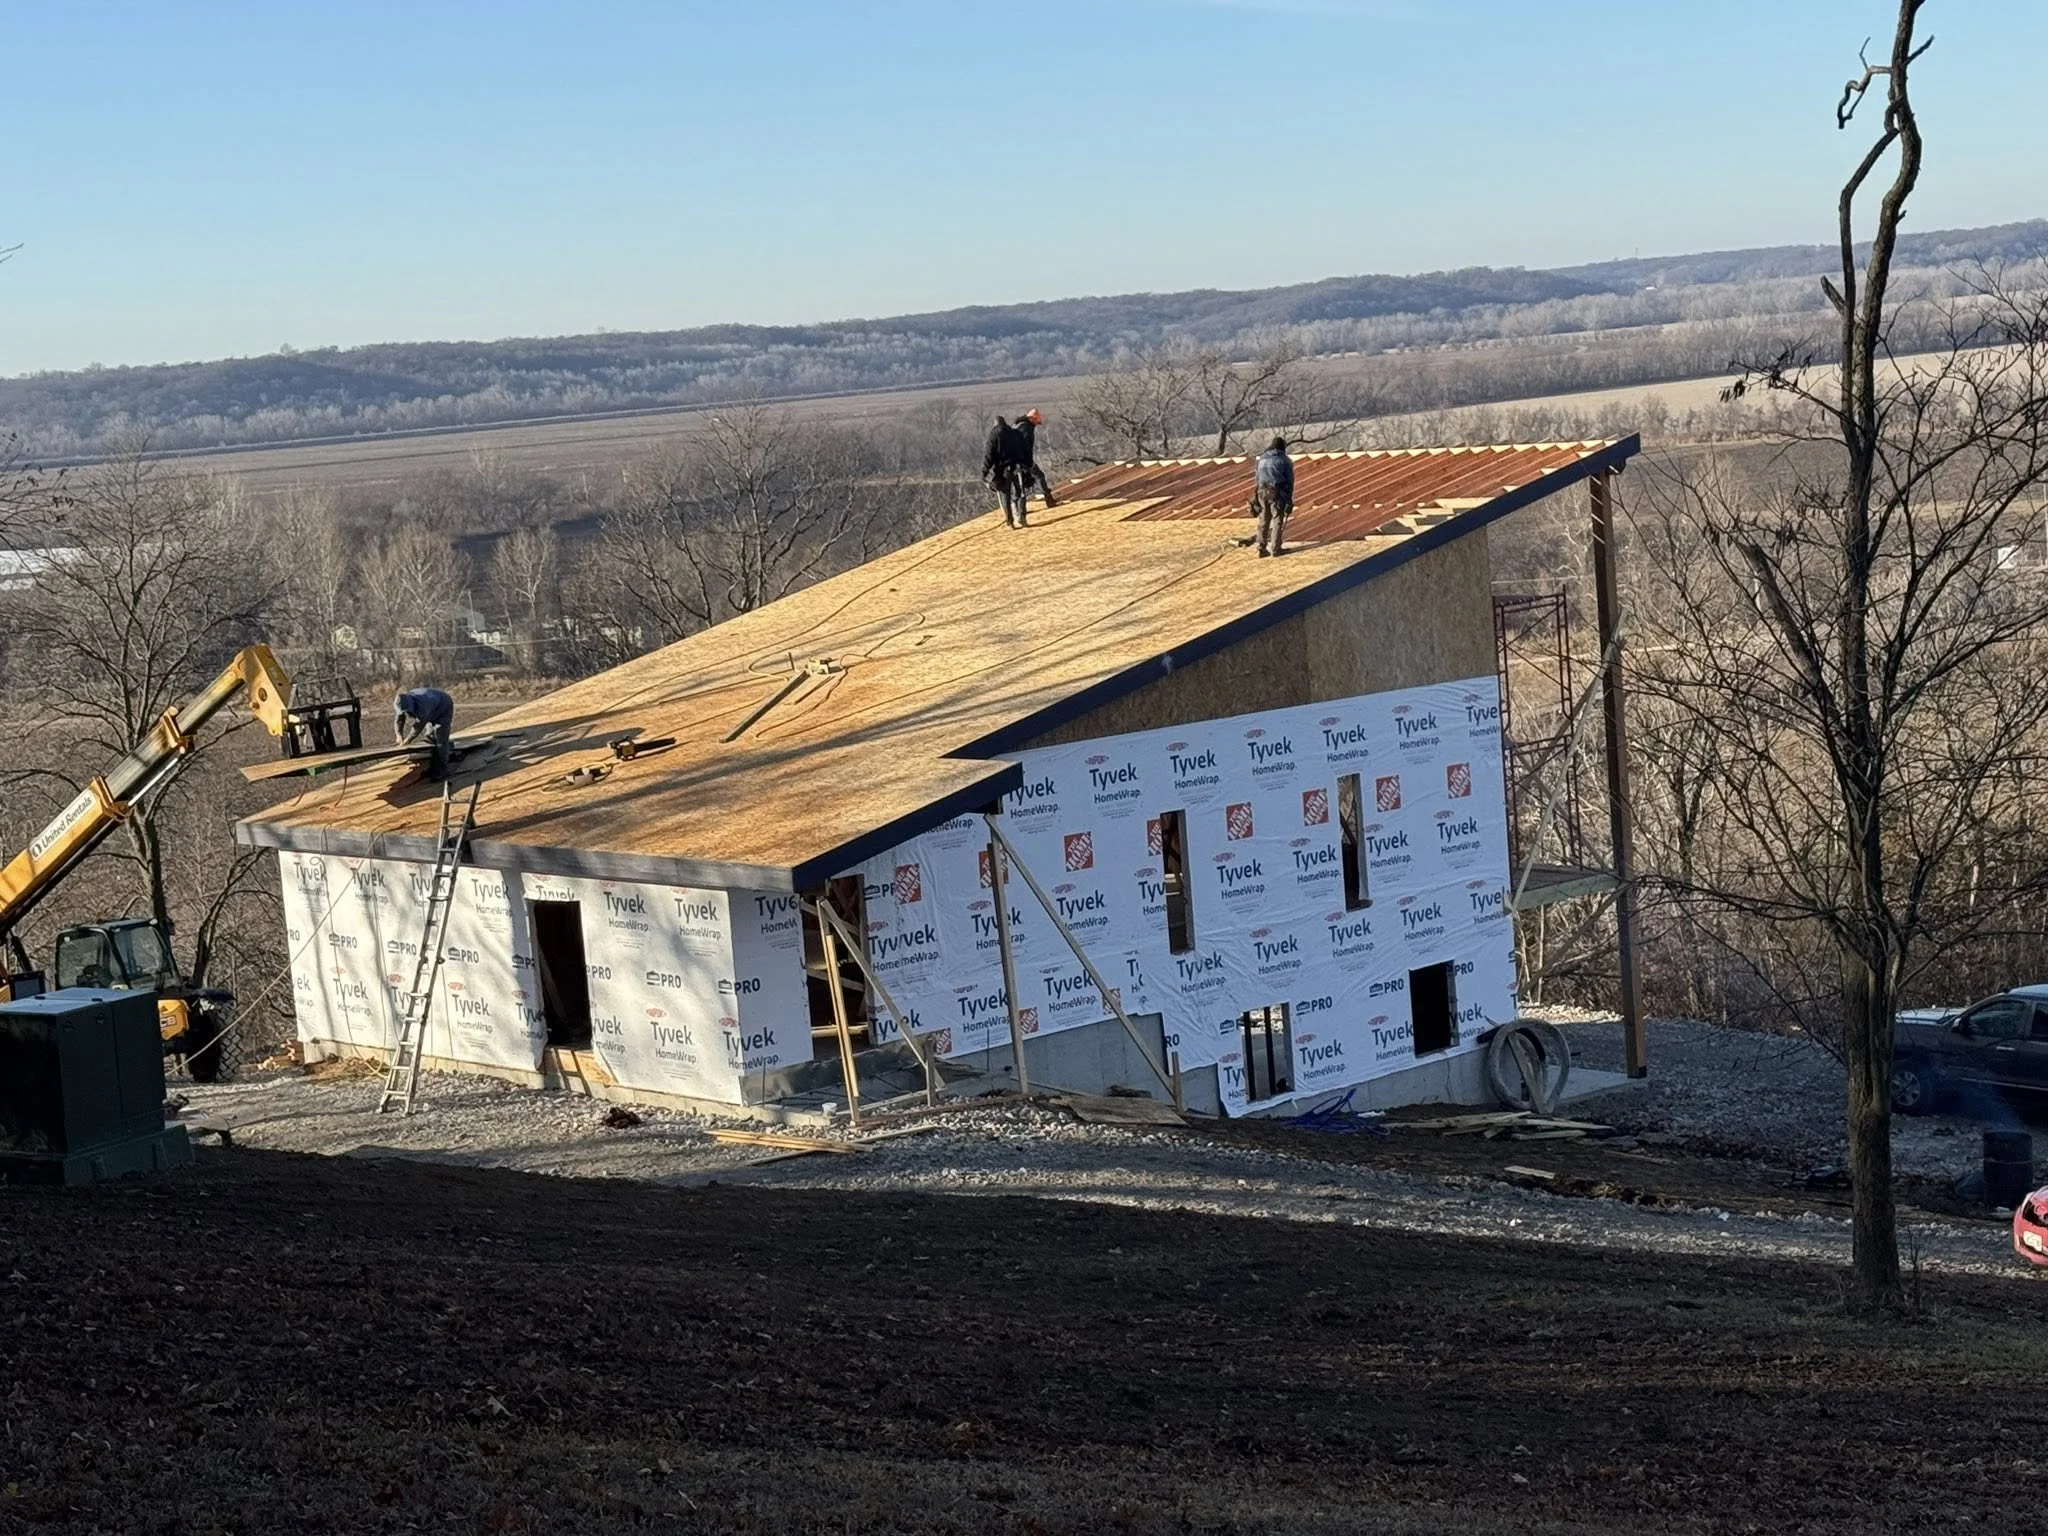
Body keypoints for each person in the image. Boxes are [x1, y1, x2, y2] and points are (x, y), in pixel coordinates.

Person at [393, 686, 456, 782]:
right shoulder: (399, 702)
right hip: (433, 705)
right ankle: (432, 765)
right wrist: (398, 735)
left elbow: (418, 726)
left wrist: (407, 740)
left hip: (444, 706)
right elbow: (399, 719)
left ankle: (443, 770)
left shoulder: (422, 706)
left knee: (440, 739)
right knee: (429, 737)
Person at [1251, 435, 1294, 557]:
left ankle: (1261, 548)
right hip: (1276, 492)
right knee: (1277, 519)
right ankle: (1275, 549)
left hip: (1261, 491)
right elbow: (1290, 481)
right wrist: (1289, 500)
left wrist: (1256, 495)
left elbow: (1257, 478)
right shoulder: (1284, 460)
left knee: (1264, 520)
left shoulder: (1262, 459)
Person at [1013, 408, 1058, 510]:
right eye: (1036, 421)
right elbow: (1025, 447)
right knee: (1039, 476)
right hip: (1022, 459)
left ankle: (1019, 509)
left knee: (1020, 484)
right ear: (1032, 419)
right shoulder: (1026, 428)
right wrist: (1029, 462)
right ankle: (1049, 501)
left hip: (1015, 459)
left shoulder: (1018, 425)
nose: (1037, 424)